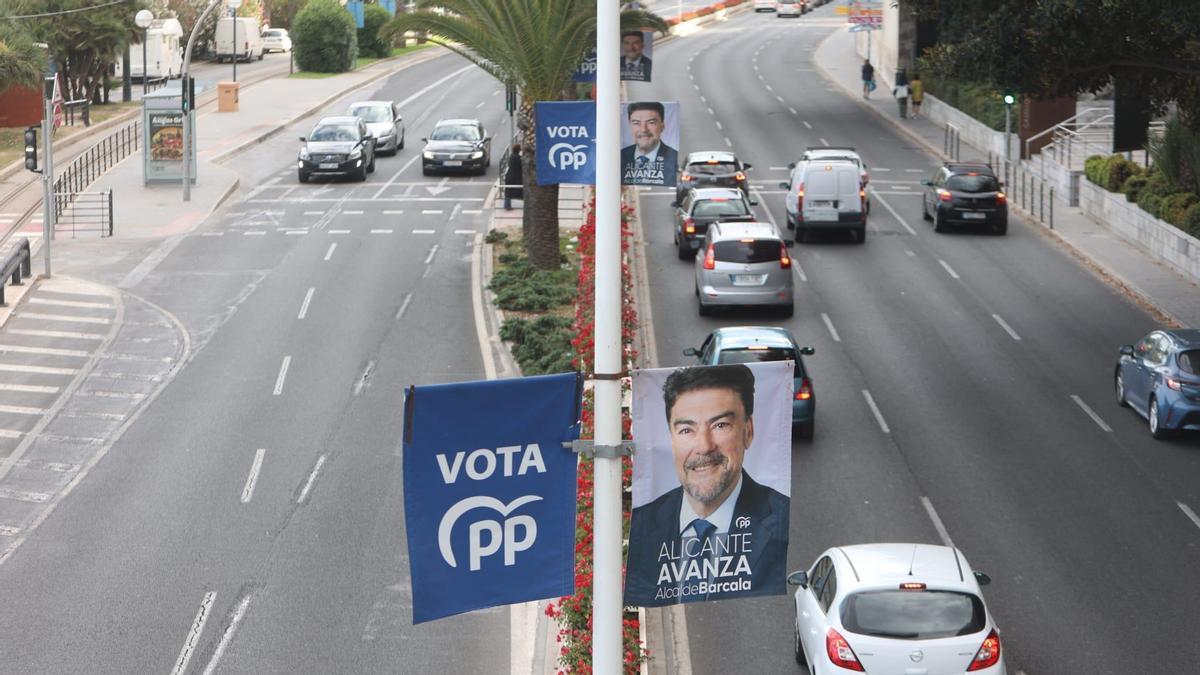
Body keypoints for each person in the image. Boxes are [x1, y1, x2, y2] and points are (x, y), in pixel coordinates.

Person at [624, 364, 790, 607]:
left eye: (720, 425)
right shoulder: (644, 521)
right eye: (686, 430)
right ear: (671, 438)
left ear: (748, 431)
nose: (704, 446)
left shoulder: (780, 513)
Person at [620, 101, 678, 186]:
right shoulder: (619, 157)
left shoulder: (674, 159)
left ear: (662, 126)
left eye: (651, 122)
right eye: (636, 123)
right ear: (630, 125)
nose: (643, 129)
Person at [503, 143, 523, 210]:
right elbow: (521, 166)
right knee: (521, 190)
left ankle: (507, 206)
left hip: (509, 176)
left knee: (508, 192)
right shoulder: (518, 158)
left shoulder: (511, 156)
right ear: (519, 150)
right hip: (516, 177)